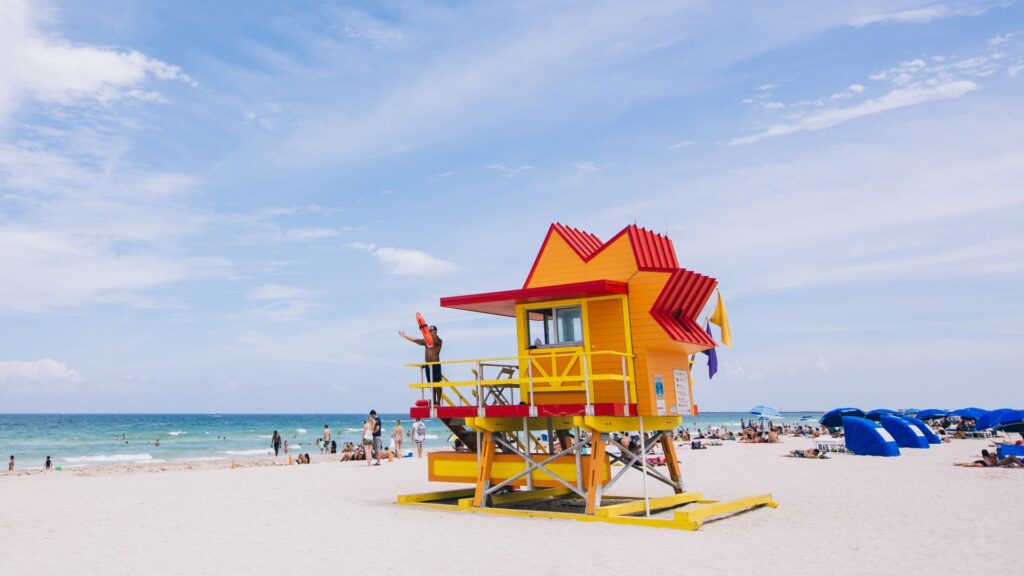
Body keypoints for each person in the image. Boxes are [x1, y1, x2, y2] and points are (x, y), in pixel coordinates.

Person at [399, 325, 443, 404]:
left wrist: (425, 329)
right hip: (428, 365)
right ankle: (434, 401)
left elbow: (434, 337)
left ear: (435, 332)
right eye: (429, 331)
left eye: (431, 330)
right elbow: (415, 340)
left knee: (437, 384)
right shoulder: (426, 341)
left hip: (435, 364)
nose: (429, 332)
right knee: (431, 384)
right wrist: (405, 335)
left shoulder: (438, 341)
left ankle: (438, 401)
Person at [955, 449, 1024, 468]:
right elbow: (1012, 456)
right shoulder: (989, 460)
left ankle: (956, 464)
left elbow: (1012, 456)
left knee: (970, 463)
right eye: (994, 456)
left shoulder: (989, 459)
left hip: (983, 463)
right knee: (970, 464)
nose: (995, 457)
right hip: (983, 464)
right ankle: (957, 464)